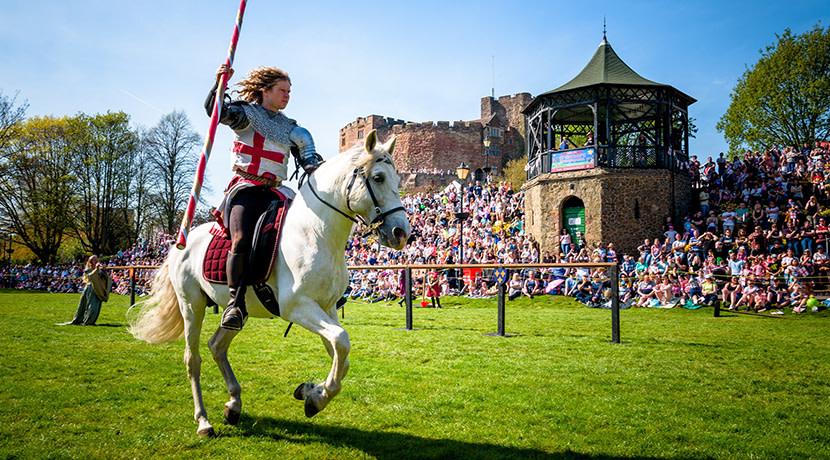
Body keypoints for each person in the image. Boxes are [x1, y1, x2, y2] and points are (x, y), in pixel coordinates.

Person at [207, 64, 324, 330]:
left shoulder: (293, 130)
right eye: (282, 90)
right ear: (265, 91)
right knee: (242, 241)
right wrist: (219, 84)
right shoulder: (244, 115)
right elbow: (216, 113)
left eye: (289, 91)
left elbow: (310, 163)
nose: (287, 96)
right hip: (246, 189)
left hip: (277, 192)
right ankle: (235, 304)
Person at [59, 255, 111, 326]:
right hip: (90, 289)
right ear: (90, 262)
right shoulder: (87, 270)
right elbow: (91, 276)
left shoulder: (99, 269)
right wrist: (97, 269)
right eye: (94, 260)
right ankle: (86, 321)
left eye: (96, 259)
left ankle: (91, 321)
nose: (96, 261)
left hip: (98, 289)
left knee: (96, 306)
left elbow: (104, 277)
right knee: (90, 305)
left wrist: (104, 271)